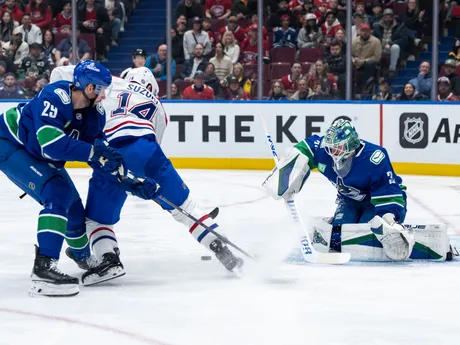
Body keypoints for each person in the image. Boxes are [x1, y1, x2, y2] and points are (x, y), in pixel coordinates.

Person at [51, 66, 243, 284]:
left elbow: (60, 72)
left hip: (109, 153)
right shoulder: (159, 107)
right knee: (185, 208)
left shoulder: (114, 82)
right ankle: (218, 244)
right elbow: (152, 149)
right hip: (147, 150)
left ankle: (109, 259)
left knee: (97, 219)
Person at [0, 60, 120, 296]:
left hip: (40, 154)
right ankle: (43, 269)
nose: (105, 95)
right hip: (11, 144)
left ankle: (83, 257)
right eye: (102, 89)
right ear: (89, 88)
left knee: (74, 209)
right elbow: (51, 144)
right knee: (57, 193)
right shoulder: (54, 96)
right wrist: (95, 153)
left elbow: (98, 149)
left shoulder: (94, 114)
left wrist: (130, 177)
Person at [263, 119, 414, 262]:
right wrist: (286, 173)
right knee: (339, 237)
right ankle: (335, 223)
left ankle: (390, 226)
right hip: (348, 200)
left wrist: (389, 217)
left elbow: (387, 190)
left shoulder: (375, 157)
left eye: (338, 147)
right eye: (330, 146)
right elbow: (305, 148)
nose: (332, 151)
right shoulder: (323, 150)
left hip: (375, 202)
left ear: (351, 145)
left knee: (363, 232)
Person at [372, 9, 408, 76]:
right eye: (386, 16)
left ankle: (392, 69)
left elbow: (404, 39)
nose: (388, 18)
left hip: (393, 49)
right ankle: (377, 70)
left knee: (395, 47)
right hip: (379, 48)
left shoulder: (400, 26)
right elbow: (373, 38)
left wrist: (391, 44)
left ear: (393, 17)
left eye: (390, 16)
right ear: (383, 17)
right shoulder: (376, 26)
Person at [351, 23, 381, 93]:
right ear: (360, 31)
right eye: (363, 30)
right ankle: (353, 89)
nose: (365, 33)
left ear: (370, 31)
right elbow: (349, 54)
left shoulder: (376, 41)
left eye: (367, 31)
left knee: (369, 64)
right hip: (356, 63)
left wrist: (364, 61)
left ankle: (366, 87)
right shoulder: (354, 41)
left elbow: (377, 57)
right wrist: (354, 60)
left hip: (369, 63)